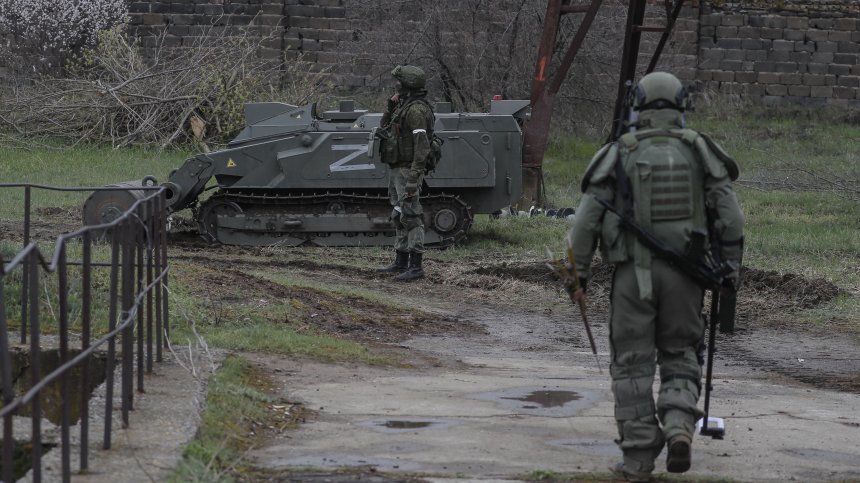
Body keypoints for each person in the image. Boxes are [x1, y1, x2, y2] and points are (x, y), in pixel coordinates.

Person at [568, 72, 744, 482]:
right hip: (687, 279)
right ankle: (681, 425)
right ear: (681, 105)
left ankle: (637, 461)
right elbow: (731, 219)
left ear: (639, 106)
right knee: (681, 354)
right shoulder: (700, 151)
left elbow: (585, 224)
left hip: (632, 279)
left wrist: (577, 277)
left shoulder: (618, 153)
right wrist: (728, 270)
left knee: (631, 366)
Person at [376, 65, 435, 281]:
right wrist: (390, 107)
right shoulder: (403, 106)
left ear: (408, 84)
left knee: (412, 216)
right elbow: (384, 129)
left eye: (400, 82)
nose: (397, 86)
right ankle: (401, 262)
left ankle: (416, 267)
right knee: (399, 215)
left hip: (408, 169)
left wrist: (413, 177)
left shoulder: (416, 111)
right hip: (397, 167)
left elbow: (422, 147)